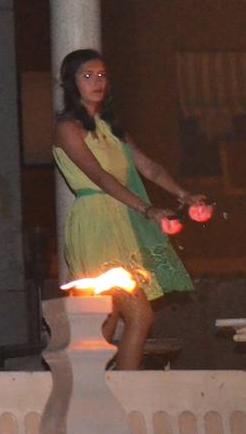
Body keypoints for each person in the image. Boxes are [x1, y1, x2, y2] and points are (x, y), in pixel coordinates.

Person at [52, 49, 198, 370]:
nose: (97, 82)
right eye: (87, 76)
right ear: (71, 83)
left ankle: (90, 386)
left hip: (122, 220)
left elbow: (149, 167)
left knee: (105, 320)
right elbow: (100, 177)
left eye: (102, 75)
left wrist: (185, 195)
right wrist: (148, 210)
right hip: (95, 223)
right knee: (139, 315)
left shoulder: (111, 126)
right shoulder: (67, 127)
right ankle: (127, 390)